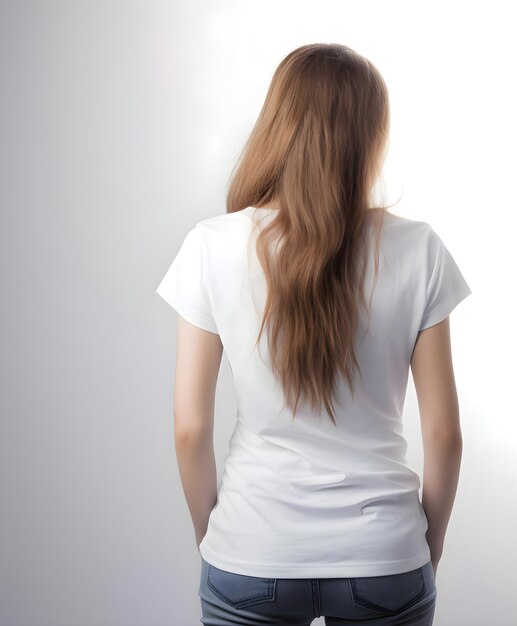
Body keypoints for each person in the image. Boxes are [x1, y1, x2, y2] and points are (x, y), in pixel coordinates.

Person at [156, 43, 471, 626]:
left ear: (279, 124)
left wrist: (217, 539)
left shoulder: (212, 245)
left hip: (251, 547)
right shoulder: (418, 248)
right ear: (369, 135)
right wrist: (427, 546)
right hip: (385, 554)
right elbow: (445, 433)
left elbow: (189, 427)